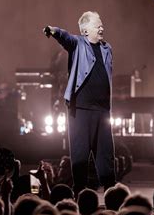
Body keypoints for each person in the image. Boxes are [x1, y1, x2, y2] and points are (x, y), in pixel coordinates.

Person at [43, 11, 116, 194]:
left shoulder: (107, 48)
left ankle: (111, 192)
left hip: (102, 110)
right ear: (85, 31)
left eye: (101, 24)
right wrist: (54, 30)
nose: (102, 28)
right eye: (97, 25)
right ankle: (80, 193)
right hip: (81, 109)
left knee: (106, 153)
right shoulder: (77, 44)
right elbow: (65, 37)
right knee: (80, 154)